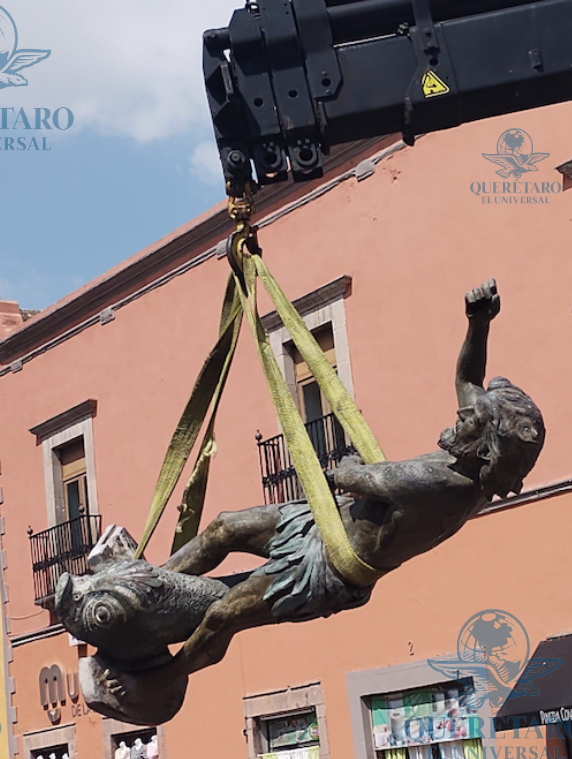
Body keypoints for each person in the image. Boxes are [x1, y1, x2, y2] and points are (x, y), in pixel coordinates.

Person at [100, 281, 545, 699]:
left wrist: (348, 462)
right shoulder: (473, 455)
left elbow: (352, 477)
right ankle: (149, 589)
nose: (462, 414)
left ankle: (161, 683)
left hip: (330, 569)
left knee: (224, 614)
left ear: (486, 442)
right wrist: (479, 323)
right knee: (224, 527)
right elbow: (468, 381)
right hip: (328, 522)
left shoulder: (445, 483)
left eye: (473, 417)